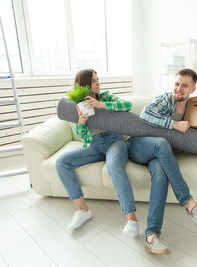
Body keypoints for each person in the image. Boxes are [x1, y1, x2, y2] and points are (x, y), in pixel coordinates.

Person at [128, 68, 197, 255]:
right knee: (161, 142)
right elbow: (145, 114)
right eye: (176, 84)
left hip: (160, 154)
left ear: (193, 89)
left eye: (184, 85)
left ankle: (151, 236)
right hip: (139, 145)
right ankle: (188, 202)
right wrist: (174, 124)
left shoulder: (193, 108)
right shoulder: (165, 99)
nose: (178, 88)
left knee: (160, 178)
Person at [56, 69, 139, 237]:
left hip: (114, 141)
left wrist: (102, 105)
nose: (98, 83)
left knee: (114, 165)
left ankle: (132, 219)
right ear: (85, 84)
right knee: (61, 162)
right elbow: (81, 135)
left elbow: (127, 106)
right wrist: (81, 122)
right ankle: (83, 210)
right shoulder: (79, 103)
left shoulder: (106, 96)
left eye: (98, 79)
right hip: (94, 144)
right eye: (94, 81)